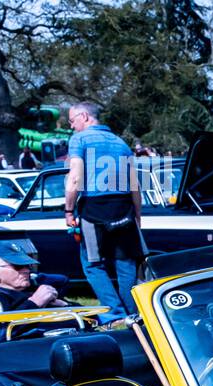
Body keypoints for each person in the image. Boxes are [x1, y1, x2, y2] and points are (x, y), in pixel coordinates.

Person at [63, 101, 146, 323]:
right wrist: (137, 215)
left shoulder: (79, 139)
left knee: (92, 264)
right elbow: (134, 184)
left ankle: (114, 314)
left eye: (72, 121)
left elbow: (75, 177)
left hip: (94, 208)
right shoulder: (121, 143)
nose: (71, 126)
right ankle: (132, 314)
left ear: (84, 117)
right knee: (126, 263)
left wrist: (68, 210)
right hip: (124, 208)